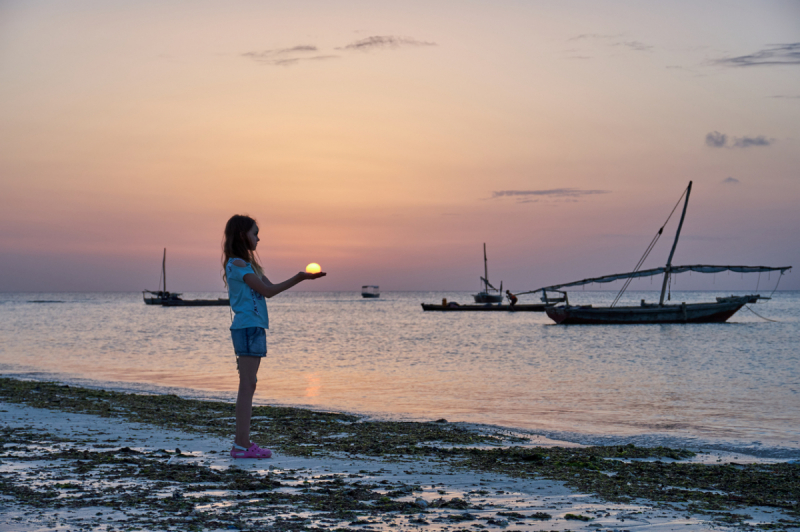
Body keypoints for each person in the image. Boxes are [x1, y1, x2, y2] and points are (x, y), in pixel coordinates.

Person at [222, 214, 326, 459]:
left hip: (254, 327)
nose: (259, 238)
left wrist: (300, 278)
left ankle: (242, 443)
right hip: (247, 327)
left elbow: (270, 288)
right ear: (241, 235)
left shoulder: (249, 265)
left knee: (250, 384)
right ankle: (241, 445)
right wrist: (300, 277)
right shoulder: (237, 264)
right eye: (255, 233)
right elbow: (267, 291)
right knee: (247, 385)